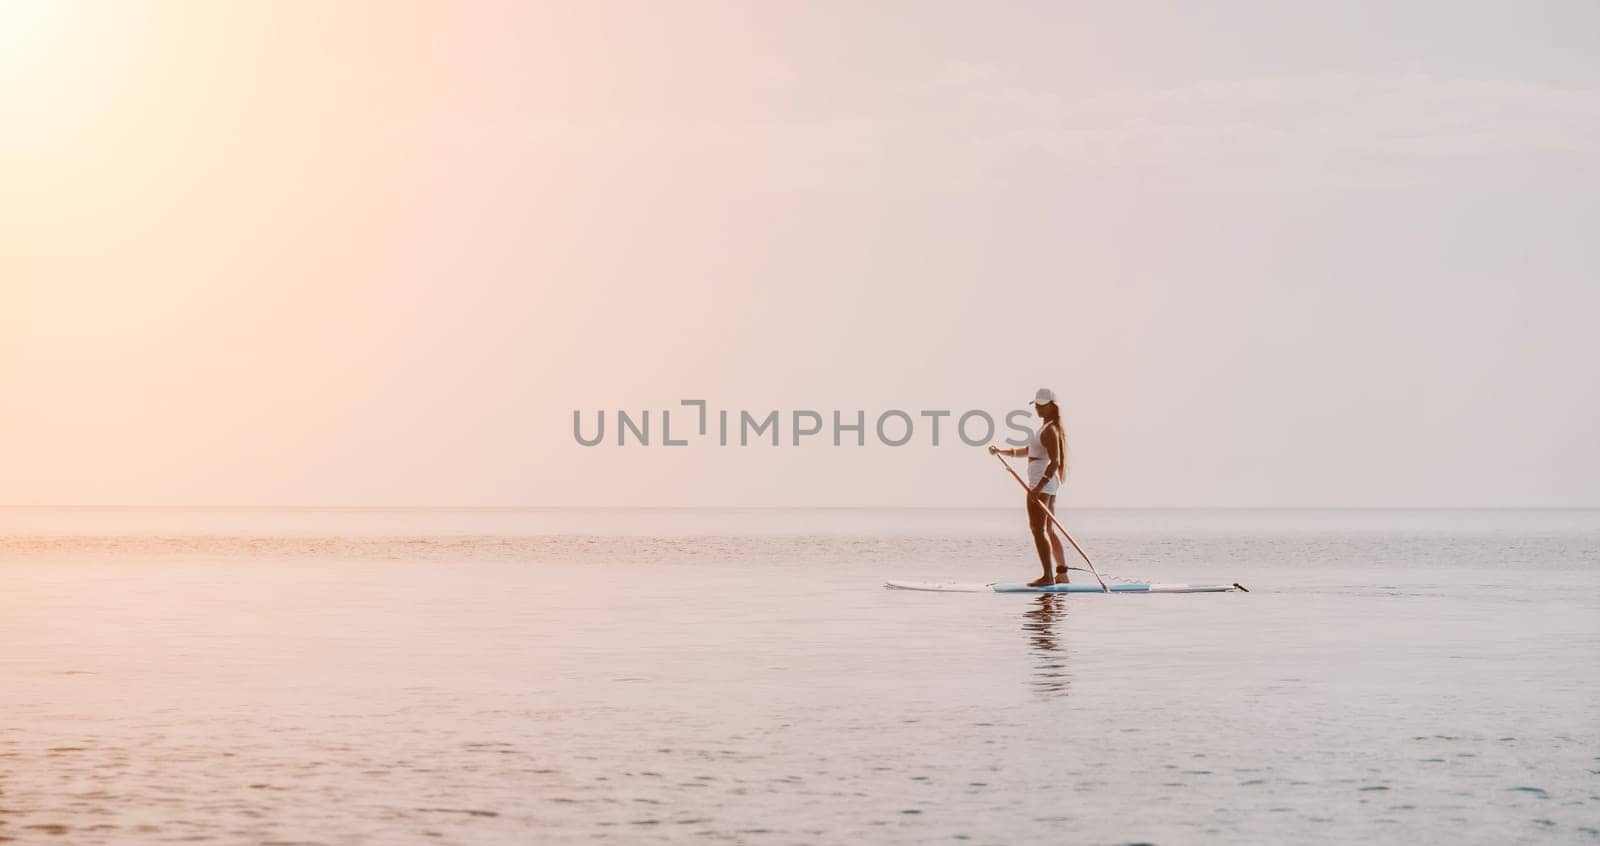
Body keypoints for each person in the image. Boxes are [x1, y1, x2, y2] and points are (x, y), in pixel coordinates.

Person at [989, 388, 1069, 586]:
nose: (1038, 408)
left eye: (1042, 405)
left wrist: (1037, 488)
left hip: (1040, 484)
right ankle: (1061, 574)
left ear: (1052, 406)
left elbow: (1054, 462)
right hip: (1046, 485)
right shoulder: (1046, 428)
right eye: (1037, 405)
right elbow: (1029, 450)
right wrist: (1002, 451)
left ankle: (1048, 577)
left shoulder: (1050, 430)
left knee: (1037, 529)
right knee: (1048, 529)